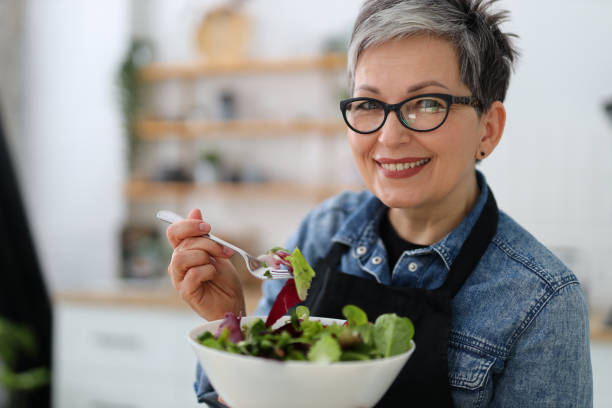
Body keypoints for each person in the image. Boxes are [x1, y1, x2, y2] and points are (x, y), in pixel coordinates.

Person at [166, 0, 593, 406]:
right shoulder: (321, 231)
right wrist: (232, 325)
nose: (389, 136)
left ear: (488, 129)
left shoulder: (541, 301)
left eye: (427, 104)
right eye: (369, 104)